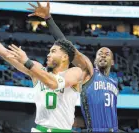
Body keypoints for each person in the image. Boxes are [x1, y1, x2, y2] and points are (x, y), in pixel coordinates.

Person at [0, 12, 83, 132]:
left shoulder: (75, 72)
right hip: (40, 129)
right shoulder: (38, 70)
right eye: (49, 51)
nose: (48, 55)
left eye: (53, 51)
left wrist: (27, 62)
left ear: (65, 57)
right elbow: (6, 54)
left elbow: (53, 83)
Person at [27, 2, 119, 132]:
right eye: (100, 53)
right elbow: (68, 47)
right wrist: (48, 19)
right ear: (94, 60)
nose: (103, 55)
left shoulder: (114, 81)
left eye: (107, 53)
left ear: (113, 61)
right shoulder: (89, 73)